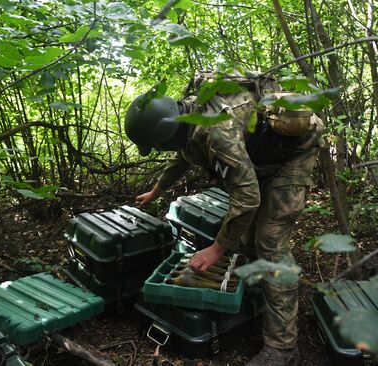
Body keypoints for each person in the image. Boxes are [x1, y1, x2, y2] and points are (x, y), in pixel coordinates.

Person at [124, 70, 323, 366]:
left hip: (293, 157)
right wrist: (157, 189)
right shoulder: (189, 116)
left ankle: (282, 348)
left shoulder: (217, 132)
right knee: (244, 234)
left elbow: (248, 198)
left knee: (270, 243)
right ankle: (260, 298)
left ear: (164, 133)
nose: (161, 148)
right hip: (261, 157)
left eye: (156, 144)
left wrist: (216, 250)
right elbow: (184, 153)